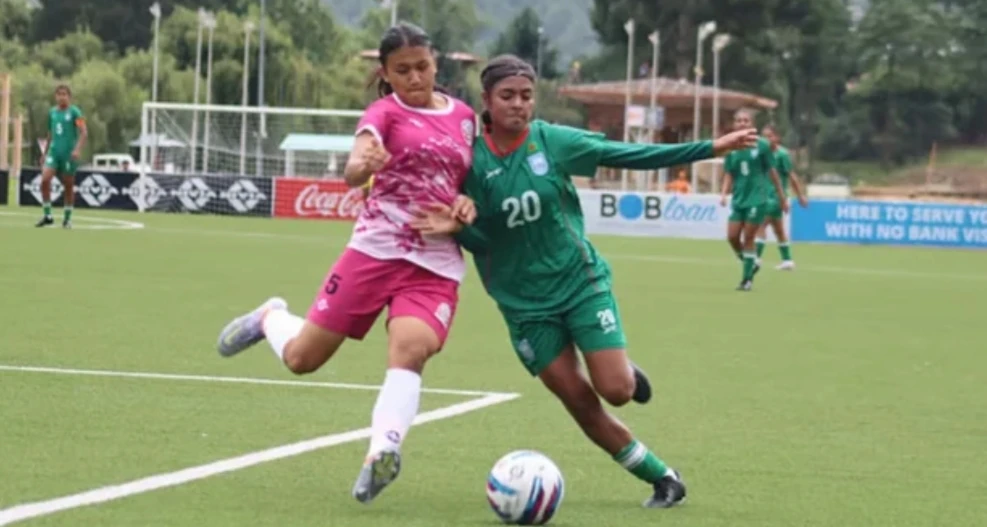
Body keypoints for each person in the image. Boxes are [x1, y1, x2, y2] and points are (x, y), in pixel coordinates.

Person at [409, 55, 759, 509]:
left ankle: (623, 371)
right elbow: (481, 242)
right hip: (523, 307)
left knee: (617, 391)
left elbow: (630, 155)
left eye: (527, 95)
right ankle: (664, 478)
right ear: (487, 101)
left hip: (580, 283)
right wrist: (458, 228)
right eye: (507, 96)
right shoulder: (468, 161)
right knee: (578, 400)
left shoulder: (552, 141)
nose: (519, 104)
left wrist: (709, 148)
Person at [215, 23, 477, 504]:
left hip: (434, 264)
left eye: (422, 66)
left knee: (410, 348)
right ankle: (269, 317)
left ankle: (382, 452)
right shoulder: (383, 113)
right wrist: (363, 166)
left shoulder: (464, 118)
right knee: (302, 360)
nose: (415, 77)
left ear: (435, 63)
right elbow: (354, 167)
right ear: (386, 74)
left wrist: (466, 206)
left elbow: (471, 184)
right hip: (374, 253)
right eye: (402, 70)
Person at [719, 109, 787, 291]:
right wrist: (724, 194)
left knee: (748, 237)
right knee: (732, 237)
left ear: (752, 124)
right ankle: (751, 262)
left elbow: (773, 172)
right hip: (739, 199)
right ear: (734, 124)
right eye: (739, 120)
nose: (742, 123)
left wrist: (781, 196)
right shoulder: (731, 147)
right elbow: (729, 173)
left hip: (757, 199)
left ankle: (746, 280)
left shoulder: (762, 145)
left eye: (746, 120)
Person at [755, 124, 808, 270]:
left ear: (777, 138)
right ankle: (787, 260)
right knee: (778, 229)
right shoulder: (761, 154)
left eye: (770, 136)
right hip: (764, 195)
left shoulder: (782, 155)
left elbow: (792, 176)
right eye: (764, 136)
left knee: (760, 225)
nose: (766, 139)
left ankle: (756, 258)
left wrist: (800, 196)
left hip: (776, 196)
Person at [36, 85, 87, 229]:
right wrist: (45, 153)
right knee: (45, 180)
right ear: (55, 97)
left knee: (68, 185)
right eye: (59, 94)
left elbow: (84, 132)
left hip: (68, 154)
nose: (61, 97)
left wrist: (77, 150)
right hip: (54, 152)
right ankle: (48, 215)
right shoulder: (52, 112)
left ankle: (67, 219)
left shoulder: (75, 112)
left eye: (64, 94)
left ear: (69, 97)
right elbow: (50, 134)